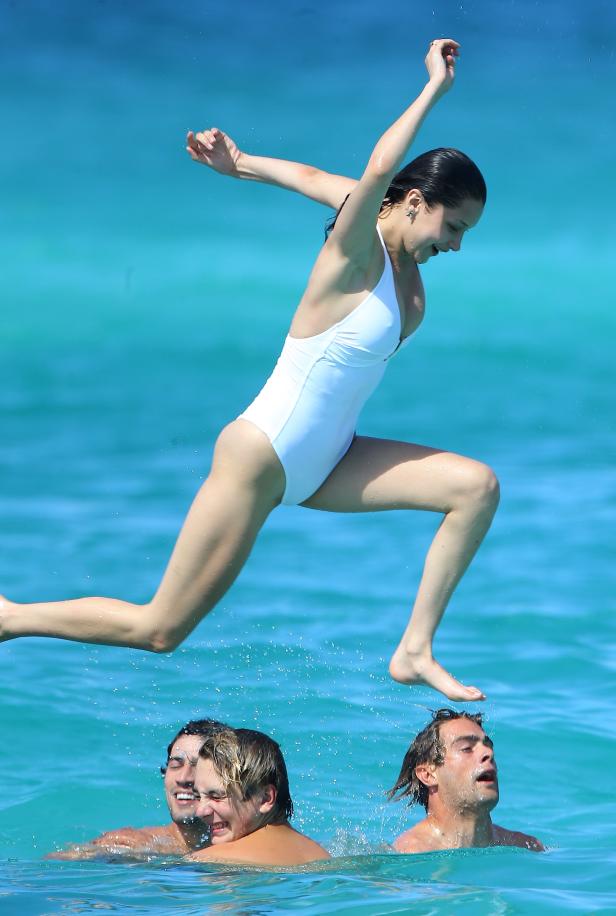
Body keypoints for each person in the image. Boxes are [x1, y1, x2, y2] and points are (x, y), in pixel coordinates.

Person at [1, 39, 499, 702]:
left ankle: (414, 649)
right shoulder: (357, 249)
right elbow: (376, 171)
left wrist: (240, 164)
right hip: (260, 454)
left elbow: (313, 177)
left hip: (330, 461)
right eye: (454, 225)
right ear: (414, 202)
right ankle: (10, 618)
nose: (457, 245)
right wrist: (433, 88)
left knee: (476, 487)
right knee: (161, 630)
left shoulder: (398, 256)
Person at [47, 718, 227, 860]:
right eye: (175, 765)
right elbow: (52, 871)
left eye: (197, 766)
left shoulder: (245, 842)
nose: (183, 778)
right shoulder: (133, 846)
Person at [388, 709, 544, 853]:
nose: (488, 753)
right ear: (428, 775)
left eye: (488, 746)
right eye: (467, 748)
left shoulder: (527, 847)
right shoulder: (409, 855)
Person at [185, 727, 330, 866]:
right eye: (198, 796)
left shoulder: (207, 860)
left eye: (216, 797)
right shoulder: (322, 856)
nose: (200, 811)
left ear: (265, 798)